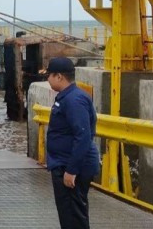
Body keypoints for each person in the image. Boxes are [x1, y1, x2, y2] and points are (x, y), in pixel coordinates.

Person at [45, 57, 100, 229]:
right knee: (70, 214)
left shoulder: (74, 100)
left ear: (59, 77)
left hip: (70, 166)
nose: (47, 79)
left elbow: (83, 135)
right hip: (65, 162)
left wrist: (71, 170)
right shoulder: (69, 97)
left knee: (73, 215)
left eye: (49, 75)